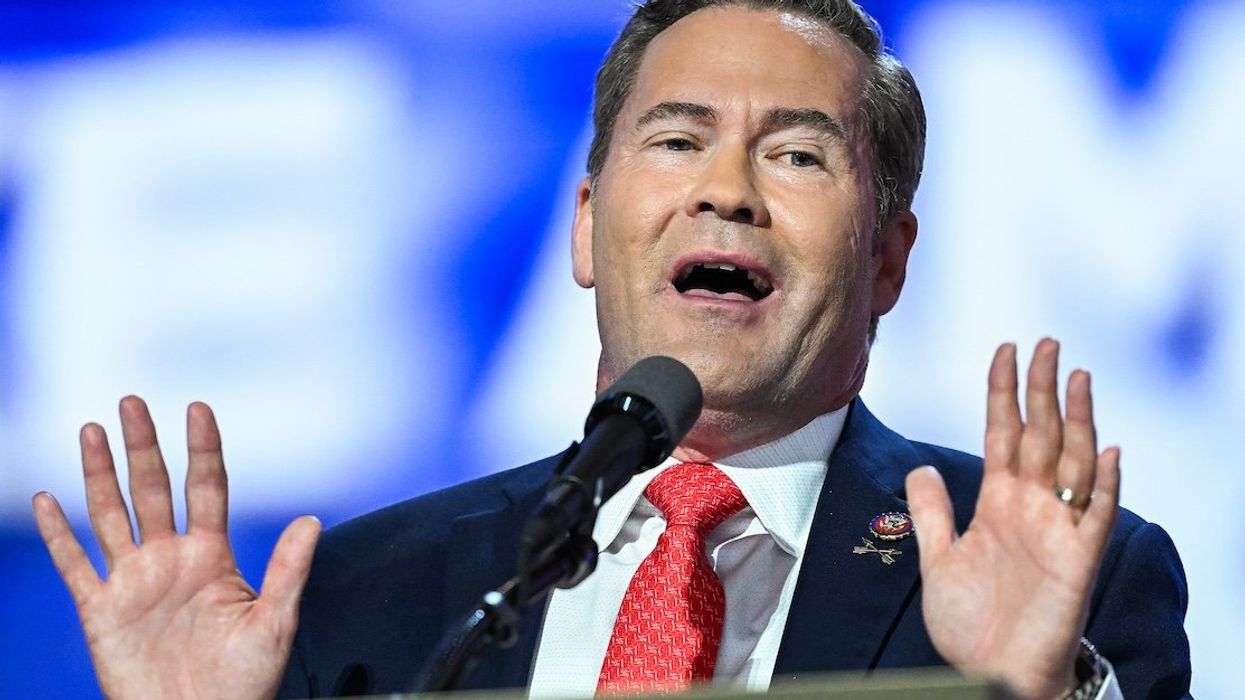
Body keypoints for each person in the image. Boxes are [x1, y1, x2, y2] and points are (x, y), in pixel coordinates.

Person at [32, 1, 1192, 698]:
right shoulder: (364, 602)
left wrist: (1027, 696)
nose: (725, 192)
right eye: (677, 139)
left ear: (889, 258)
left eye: (796, 156)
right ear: (586, 225)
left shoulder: (1068, 580)